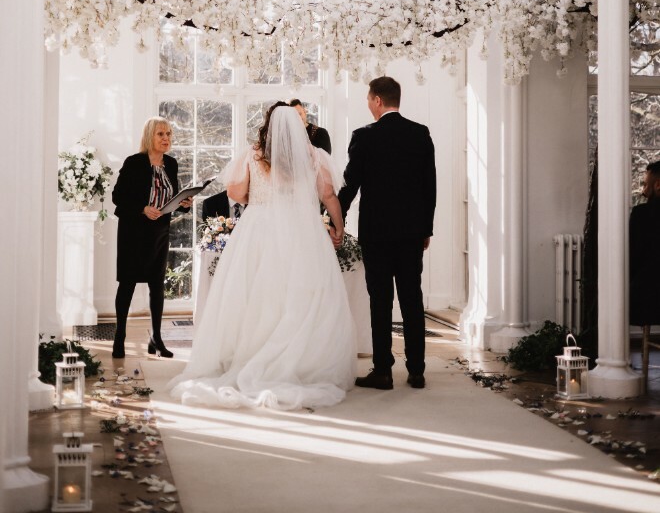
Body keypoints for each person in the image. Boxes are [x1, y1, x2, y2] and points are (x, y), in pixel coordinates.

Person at [168, 102, 356, 410]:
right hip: (302, 229)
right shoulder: (314, 157)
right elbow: (329, 197)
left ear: (267, 125)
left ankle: (248, 355)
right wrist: (338, 226)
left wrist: (259, 194)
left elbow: (235, 193)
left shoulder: (253, 155)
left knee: (255, 293)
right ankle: (303, 361)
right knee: (301, 293)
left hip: (259, 228)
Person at [338, 76, 436, 390]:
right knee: (411, 300)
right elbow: (429, 188)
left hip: (376, 234)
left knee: (380, 302)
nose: (368, 105)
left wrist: (331, 216)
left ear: (378, 100)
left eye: (368, 100)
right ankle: (417, 371)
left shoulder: (364, 137)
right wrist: (426, 230)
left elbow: (350, 185)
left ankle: (383, 372)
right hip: (411, 234)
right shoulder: (420, 134)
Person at [111, 117, 192, 359]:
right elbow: (118, 197)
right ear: (149, 136)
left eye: (169, 134)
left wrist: (184, 203)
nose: (166, 138)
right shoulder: (134, 163)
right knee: (127, 284)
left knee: (157, 286)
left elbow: (170, 197)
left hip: (159, 233)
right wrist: (142, 208)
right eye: (161, 134)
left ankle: (156, 338)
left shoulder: (172, 163)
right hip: (133, 233)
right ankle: (120, 336)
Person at [629, 160, 660, 327]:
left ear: (658, 185)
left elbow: (632, 256)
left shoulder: (641, 215)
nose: (643, 191)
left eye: (645, 185)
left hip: (648, 301)